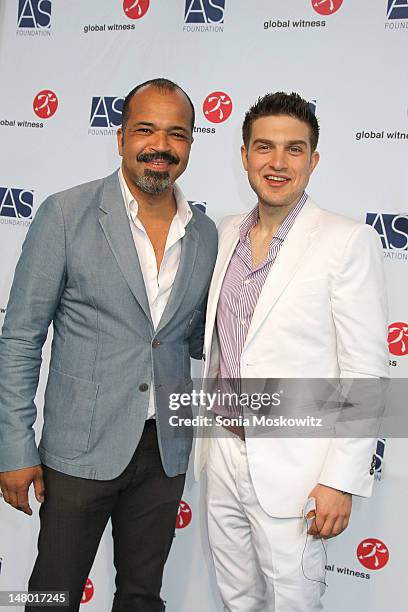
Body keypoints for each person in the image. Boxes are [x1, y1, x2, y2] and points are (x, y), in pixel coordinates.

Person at [0, 77, 217, 612]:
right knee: (53, 596)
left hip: (165, 449)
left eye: (176, 134)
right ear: (119, 137)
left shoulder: (207, 233)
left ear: (189, 145)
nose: (160, 146)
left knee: (142, 598)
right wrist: (14, 445)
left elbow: (189, 338)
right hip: (78, 449)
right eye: (145, 129)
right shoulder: (66, 213)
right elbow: (22, 337)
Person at [194, 91, 388, 611]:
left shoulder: (347, 241)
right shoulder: (225, 231)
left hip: (297, 471)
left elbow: (366, 371)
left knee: (293, 603)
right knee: (236, 599)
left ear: (313, 159)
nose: (277, 163)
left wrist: (339, 480)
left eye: (294, 149)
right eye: (264, 147)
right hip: (222, 454)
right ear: (244, 155)